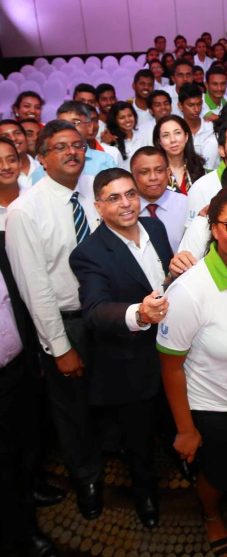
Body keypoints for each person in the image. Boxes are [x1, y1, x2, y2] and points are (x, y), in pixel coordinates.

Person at [158, 187, 227, 557]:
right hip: (212, 407)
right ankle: (211, 515)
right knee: (217, 474)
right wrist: (186, 429)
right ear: (214, 228)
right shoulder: (189, 292)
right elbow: (170, 366)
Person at [6, 120, 103, 520]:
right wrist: (59, 347)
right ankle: (87, 478)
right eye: (60, 147)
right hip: (68, 322)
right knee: (73, 410)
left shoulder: (98, 192)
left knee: (108, 397)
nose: (71, 152)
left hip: (107, 316)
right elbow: (34, 288)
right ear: (42, 157)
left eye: (77, 145)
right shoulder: (25, 211)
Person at [69, 168, 172, 528]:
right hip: (129, 359)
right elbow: (95, 310)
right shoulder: (89, 253)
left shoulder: (156, 228)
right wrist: (139, 314)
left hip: (172, 350)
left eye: (130, 194)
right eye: (114, 198)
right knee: (138, 437)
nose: (126, 203)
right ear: (98, 206)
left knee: (172, 416)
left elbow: (166, 282)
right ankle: (145, 494)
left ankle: (185, 461)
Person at [0, 159, 58, 555]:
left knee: (23, 443)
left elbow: (20, 297)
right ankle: (20, 535)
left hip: (17, 364)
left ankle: (26, 506)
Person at [31, 101, 116, 183]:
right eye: (62, 123)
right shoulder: (45, 166)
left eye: (75, 122)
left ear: (89, 126)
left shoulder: (104, 161)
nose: (68, 128)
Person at [130, 146, 189, 253]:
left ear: (168, 173)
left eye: (159, 171)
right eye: (144, 172)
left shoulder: (186, 204)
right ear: (132, 176)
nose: (153, 177)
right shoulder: (125, 209)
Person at [153, 114, 206, 195]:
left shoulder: (199, 168)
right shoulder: (155, 173)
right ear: (159, 141)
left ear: (186, 136)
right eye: (166, 135)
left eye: (177, 133)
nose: (173, 140)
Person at [106, 102, 150, 170]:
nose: (127, 120)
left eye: (130, 115)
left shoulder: (143, 135)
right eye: (122, 118)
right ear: (115, 120)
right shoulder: (111, 141)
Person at [0, 119, 40, 191]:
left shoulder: (44, 168)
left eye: (17, 133)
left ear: (25, 137)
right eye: (5, 136)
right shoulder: (4, 173)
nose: (13, 138)